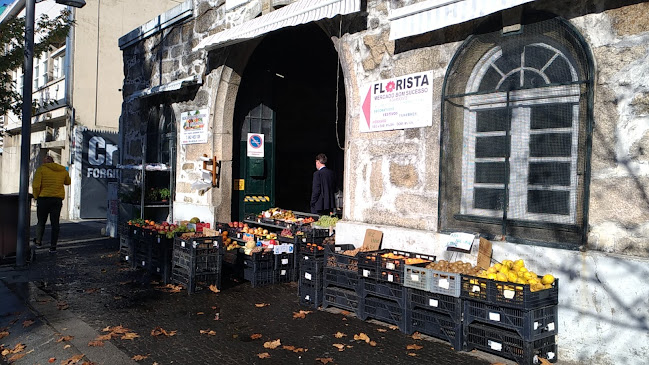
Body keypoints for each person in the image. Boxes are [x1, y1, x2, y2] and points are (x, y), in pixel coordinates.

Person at [32, 155, 71, 253]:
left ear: (44, 162)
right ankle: (53, 246)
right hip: (57, 200)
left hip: (43, 199)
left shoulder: (41, 169)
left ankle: (38, 242)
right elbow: (68, 182)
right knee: (55, 223)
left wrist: (36, 196)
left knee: (41, 221)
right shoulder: (62, 170)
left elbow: (36, 185)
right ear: (53, 162)